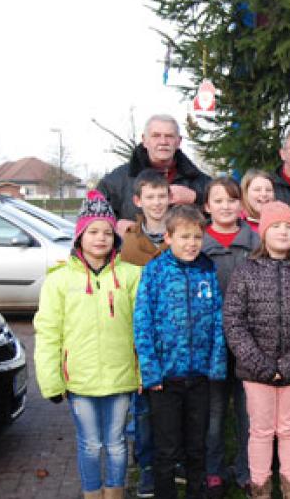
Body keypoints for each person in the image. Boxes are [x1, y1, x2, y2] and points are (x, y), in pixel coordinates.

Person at [34, 190, 142, 499]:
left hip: (122, 377)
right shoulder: (59, 280)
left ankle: (115, 493)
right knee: (90, 444)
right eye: (93, 232)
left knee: (117, 443)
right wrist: (51, 380)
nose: (100, 238)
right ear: (79, 236)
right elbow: (48, 332)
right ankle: (92, 493)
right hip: (80, 380)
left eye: (107, 232)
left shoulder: (131, 276)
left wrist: (145, 373)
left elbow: (143, 329)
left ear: (115, 238)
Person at [224, 201, 290, 499]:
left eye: (288, 227)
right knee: (261, 430)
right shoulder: (245, 272)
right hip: (256, 371)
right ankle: (261, 488)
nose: (282, 232)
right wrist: (262, 364)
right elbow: (234, 322)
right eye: (275, 226)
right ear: (263, 233)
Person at [133, 205, 227, 499]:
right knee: (167, 448)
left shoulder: (207, 269)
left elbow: (218, 320)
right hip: (165, 379)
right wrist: (151, 372)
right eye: (184, 237)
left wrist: (216, 366)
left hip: (199, 376)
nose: (191, 244)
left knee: (197, 446)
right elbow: (142, 322)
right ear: (168, 237)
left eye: (197, 237)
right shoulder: (155, 271)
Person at [201, 177, 260, 497]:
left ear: (241, 204)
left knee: (248, 412)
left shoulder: (255, 242)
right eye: (218, 201)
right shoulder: (196, 243)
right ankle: (213, 470)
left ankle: (248, 469)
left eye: (232, 200)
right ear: (207, 206)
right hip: (211, 345)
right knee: (214, 413)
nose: (226, 206)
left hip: (250, 342)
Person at [117, 169, 170, 497]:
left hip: (177, 338)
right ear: (138, 201)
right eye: (150, 197)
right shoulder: (129, 244)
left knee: (175, 406)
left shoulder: (181, 235)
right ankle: (148, 465)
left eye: (162, 196)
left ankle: (175, 462)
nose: (157, 202)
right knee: (145, 407)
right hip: (143, 338)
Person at [98, 114, 211, 233]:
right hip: (134, 245)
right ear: (144, 140)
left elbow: (222, 218)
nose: (163, 141)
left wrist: (196, 198)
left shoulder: (199, 181)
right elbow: (92, 217)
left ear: (178, 141)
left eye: (169, 136)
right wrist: (114, 225)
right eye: (156, 136)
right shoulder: (116, 181)